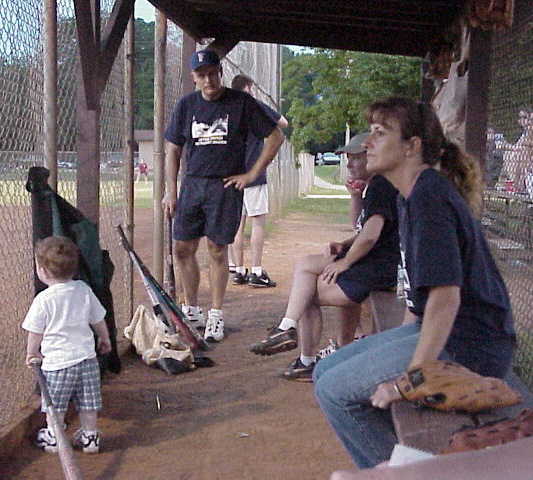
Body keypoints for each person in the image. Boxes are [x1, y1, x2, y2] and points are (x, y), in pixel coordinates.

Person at [313, 96, 515, 469]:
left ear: (412, 146)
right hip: (448, 332)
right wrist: (393, 350)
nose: (368, 142)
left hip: (471, 345)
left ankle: (409, 473)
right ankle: (405, 462)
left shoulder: (429, 198)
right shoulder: (411, 195)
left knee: (333, 391)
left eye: (380, 132)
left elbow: (445, 299)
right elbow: (419, 299)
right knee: (325, 370)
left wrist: (412, 379)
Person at [249, 132, 399, 381]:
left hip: (379, 268)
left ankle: (302, 353)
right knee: (306, 267)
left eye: (356, 158)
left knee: (307, 293)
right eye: (348, 158)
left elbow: (371, 236)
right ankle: (306, 337)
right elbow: (361, 229)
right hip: (377, 262)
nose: (349, 164)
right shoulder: (377, 185)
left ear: (373, 156)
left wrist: (346, 262)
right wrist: (345, 243)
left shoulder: (381, 185)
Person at [163, 50, 284, 342]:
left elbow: (275, 136)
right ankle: (192, 309)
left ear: (220, 72)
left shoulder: (241, 102)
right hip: (193, 185)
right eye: (201, 75)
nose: (208, 80)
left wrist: (252, 174)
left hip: (225, 186)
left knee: (218, 249)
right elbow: (173, 149)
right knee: (183, 249)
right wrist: (171, 190)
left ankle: (216, 314)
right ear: (194, 78)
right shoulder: (186, 105)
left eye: (212, 73)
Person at [22, 236, 112, 454]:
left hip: (58, 364)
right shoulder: (83, 289)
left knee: (56, 403)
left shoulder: (43, 299)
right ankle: (90, 437)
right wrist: (105, 338)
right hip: (87, 360)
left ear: (43, 271)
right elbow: (98, 319)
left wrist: (32, 352)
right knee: (88, 402)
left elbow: (35, 332)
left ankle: (54, 436)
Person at [229, 74, 289, 288]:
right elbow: (283, 123)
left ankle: (239, 270)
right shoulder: (253, 105)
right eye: (251, 88)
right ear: (247, 89)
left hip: (233, 174)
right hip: (253, 173)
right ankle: (256, 271)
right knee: (257, 222)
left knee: (238, 223)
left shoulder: (228, 108)